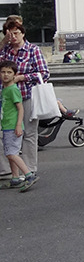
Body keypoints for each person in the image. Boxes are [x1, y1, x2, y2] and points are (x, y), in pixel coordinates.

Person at [1, 16, 51, 187]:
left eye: (16, 33)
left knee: (29, 134)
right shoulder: (5, 50)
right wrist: (3, 42)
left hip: (27, 96)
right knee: (5, 134)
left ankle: (29, 168)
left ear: (23, 33)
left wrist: (22, 77)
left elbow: (43, 73)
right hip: (6, 100)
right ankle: (8, 171)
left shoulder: (32, 50)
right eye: (10, 34)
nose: (13, 37)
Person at [0, 61, 32, 190]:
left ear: (15, 75)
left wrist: (18, 125)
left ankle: (29, 175)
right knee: (9, 152)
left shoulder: (13, 89)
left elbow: (20, 109)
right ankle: (15, 178)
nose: (5, 75)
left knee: (11, 153)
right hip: (6, 125)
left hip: (12, 126)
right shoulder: (5, 89)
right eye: (3, 72)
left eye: (9, 72)